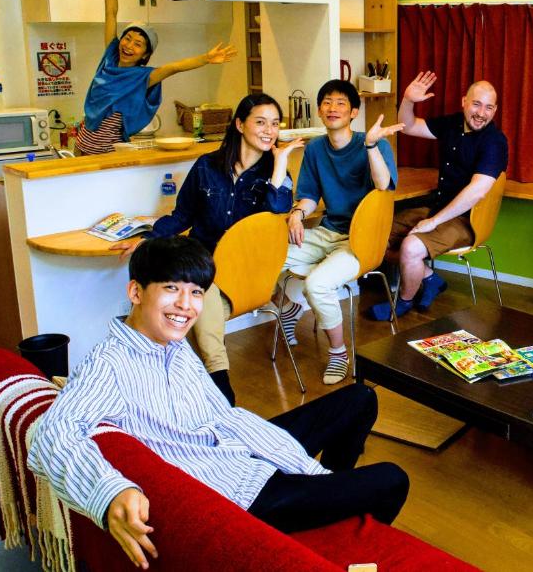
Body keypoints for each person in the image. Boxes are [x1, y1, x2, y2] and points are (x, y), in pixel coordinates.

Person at [27, 237, 409, 571]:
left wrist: (305, 468)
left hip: (242, 451)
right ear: (136, 292)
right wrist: (109, 492)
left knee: (360, 398)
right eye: (172, 288)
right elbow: (51, 434)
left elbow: (224, 418)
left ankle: (327, 499)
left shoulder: (175, 346)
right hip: (240, 496)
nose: (186, 305)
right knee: (392, 479)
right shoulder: (108, 364)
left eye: (196, 292)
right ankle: (328, 511)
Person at [112, 93, 302, 404]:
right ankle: (174, 379)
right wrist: (148, 238)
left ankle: (215, 387)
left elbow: (276, 214)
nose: (269, 130)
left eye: (275, 124)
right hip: (203, 262)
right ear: (240, 124)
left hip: (244, 269)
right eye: (261, 122)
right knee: (181, 296)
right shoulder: (206, 166)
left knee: (195, 296)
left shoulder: (276, 173)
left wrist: (280, 165)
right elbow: (182, 215)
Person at [278, 80, 401, 385]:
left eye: (341, 103)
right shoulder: (317, 148)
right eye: (327, 102)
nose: (333, 108)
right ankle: (290, 309)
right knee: (267, 257)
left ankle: (338, 353)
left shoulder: (372, 143)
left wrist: (372, 146)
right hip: (328, 231)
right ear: (319, 110)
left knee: (317, 284)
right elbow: (308, 195)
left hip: (363, 240)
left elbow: (383, 186)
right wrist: (296, 214)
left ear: (353, 112)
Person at [368, 71, 509, 321]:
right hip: (439, 207)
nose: (481, 113)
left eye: (489, 107)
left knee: (410, 247)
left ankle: (402, 303)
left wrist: (433, 222)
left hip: (466, 220)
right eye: (476, 104)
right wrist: (408, 100)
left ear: (495, 111)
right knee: (375, 233)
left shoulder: (494, 141)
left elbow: (476, 191)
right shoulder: (453, 124)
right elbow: (408, 126)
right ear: (464, 102)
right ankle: (429, 278)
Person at [77, 0, 237, 155]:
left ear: (145, 54)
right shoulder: (109, 57)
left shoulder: (144, 77)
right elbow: (111, 12)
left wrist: (206, 58)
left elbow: (174, 67)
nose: (128, 45)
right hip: (80, 147)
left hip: (107, 154)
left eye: (138, 44)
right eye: (127, 38)